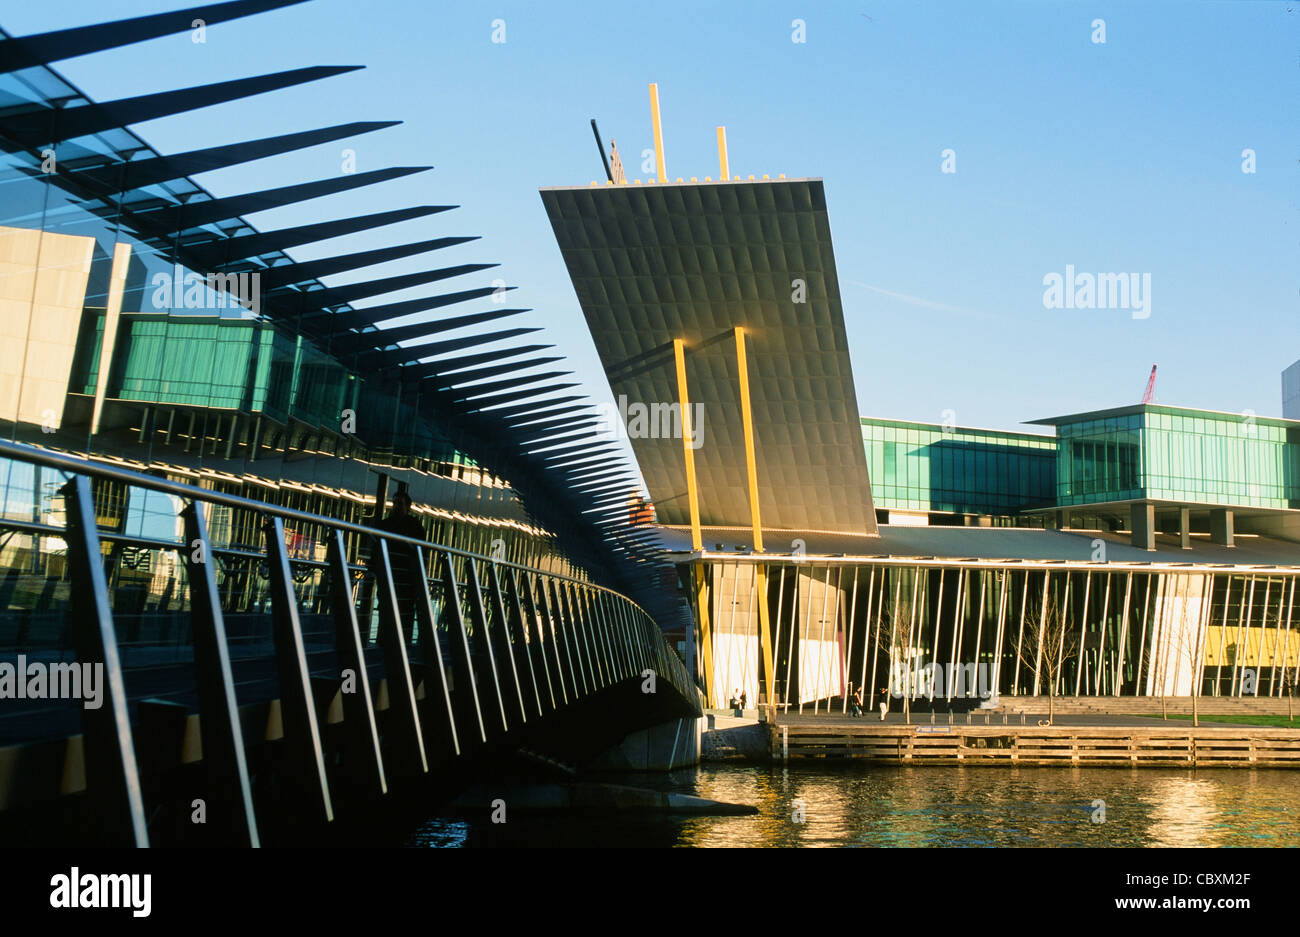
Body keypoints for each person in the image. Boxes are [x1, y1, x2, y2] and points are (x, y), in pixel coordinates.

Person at [372, 489, 428, 645]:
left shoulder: (388, 525)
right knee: (392, 611)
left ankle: (393, 643)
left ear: (408, 507)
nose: (396, 506)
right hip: (398, 576)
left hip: (403, 577)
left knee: (399, 611)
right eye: (395, 503)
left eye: (399, 503)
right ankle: (392, 644)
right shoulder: (412, 527)